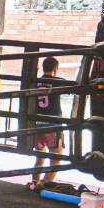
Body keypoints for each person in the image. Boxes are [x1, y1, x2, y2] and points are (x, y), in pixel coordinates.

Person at [29, 56, 70, 190]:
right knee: (56, 159)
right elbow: (74, 88)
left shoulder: (35, 82)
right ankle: (45, 185)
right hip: (53, 125)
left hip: (37, 124)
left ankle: (35, 182)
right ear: (55, 69)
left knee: (40, 156)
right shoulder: (57, 82)